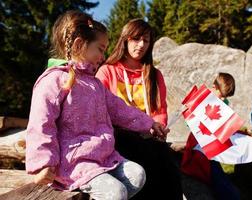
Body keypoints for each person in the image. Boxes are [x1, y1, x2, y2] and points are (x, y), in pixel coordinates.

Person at [26, 11, 169, 200]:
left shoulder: (95, 84)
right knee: (116, 193)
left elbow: (120, 109)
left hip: (103, 156)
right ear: (79, 45)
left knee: (137, 175)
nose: (103, 56)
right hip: (73, 162)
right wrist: (43, 163)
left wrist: (149, 123)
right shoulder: (54, 80)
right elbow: (41, 122)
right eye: (100, 49)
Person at [95, 19, 183, 200]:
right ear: (125, 40)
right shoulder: (107, 71)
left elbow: (160, 108)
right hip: (118, 137)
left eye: (147, 40)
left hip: (150, 135)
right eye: (136, 39)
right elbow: (99, 110)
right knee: (145, 165)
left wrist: (159, 126)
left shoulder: (154, 74)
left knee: (171, 174)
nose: (141, 44)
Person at [182, 73, 252, 200]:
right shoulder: (200, 98)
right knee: (229, 190)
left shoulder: (223, 100)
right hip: (203, 139)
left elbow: (224, 125)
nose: (221, 100)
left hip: (224, 137)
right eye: (220, 96)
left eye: (224, 97)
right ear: (214, 87)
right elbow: (192, 124)